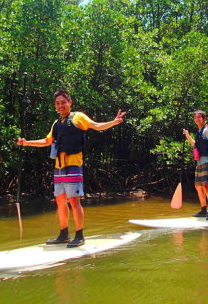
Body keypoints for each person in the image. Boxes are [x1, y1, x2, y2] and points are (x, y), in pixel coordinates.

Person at [17, 89, 126, 247]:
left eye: (63, 102)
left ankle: (79, 235)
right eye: (58, 103)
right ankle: (63, 234)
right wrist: (26, 143)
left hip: (73, 166)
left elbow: (96, 126)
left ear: (70, 103)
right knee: (60, 201)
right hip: (59, 168)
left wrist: (113, 122)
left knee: (74, 201)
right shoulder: (56, 123)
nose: (60, 105)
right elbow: (47, 141)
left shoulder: (78, 117)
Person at [182, 110, 208, 220]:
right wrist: (187, 135)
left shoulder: (206, 130)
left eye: (199, 117)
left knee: (206, 186)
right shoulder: (198, 131)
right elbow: (195, 144)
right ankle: (203, 209)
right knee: (198, 186)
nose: (197, 119)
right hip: (199, 162)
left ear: (204, 119)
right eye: (195, 117)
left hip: (207, 161)